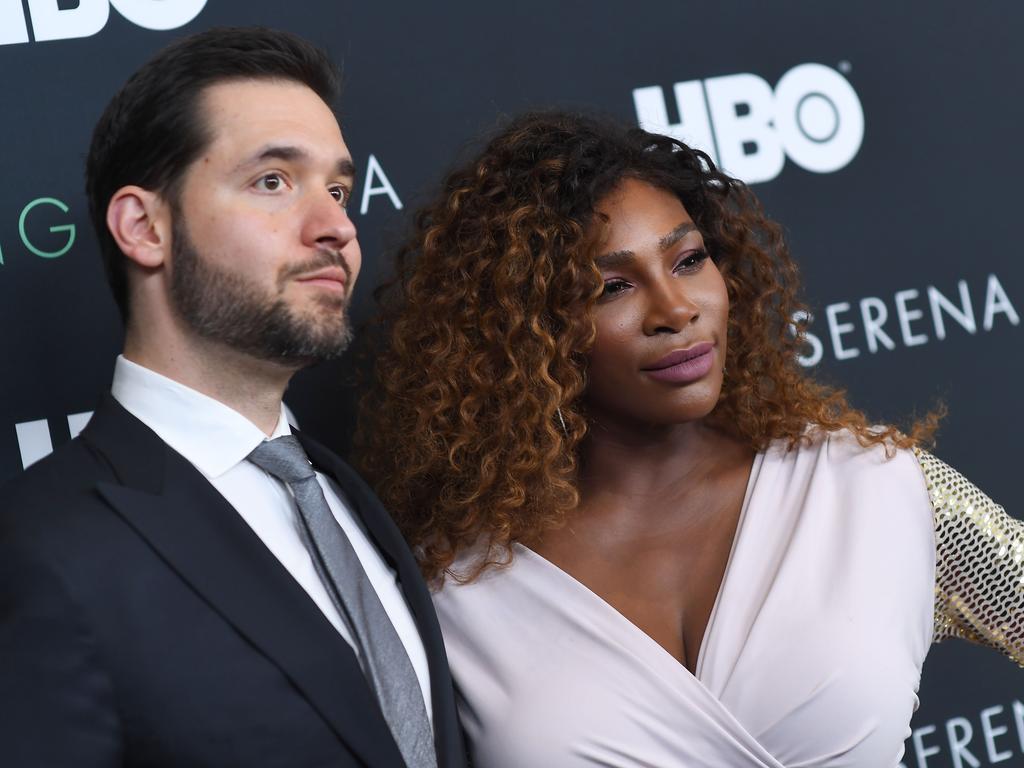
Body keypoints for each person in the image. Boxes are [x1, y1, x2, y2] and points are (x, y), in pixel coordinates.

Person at [357, 111, 1023, 767]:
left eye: (687, 259)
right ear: (525, 332)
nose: (675, 310)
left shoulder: (869, 485)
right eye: (611, 287)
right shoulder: (458, 589)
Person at [0, 27, 466, 768]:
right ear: (144, 227)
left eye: (339, 189)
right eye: (273, 182)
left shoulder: (346, 493)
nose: (337, 228)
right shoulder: (39, 547)